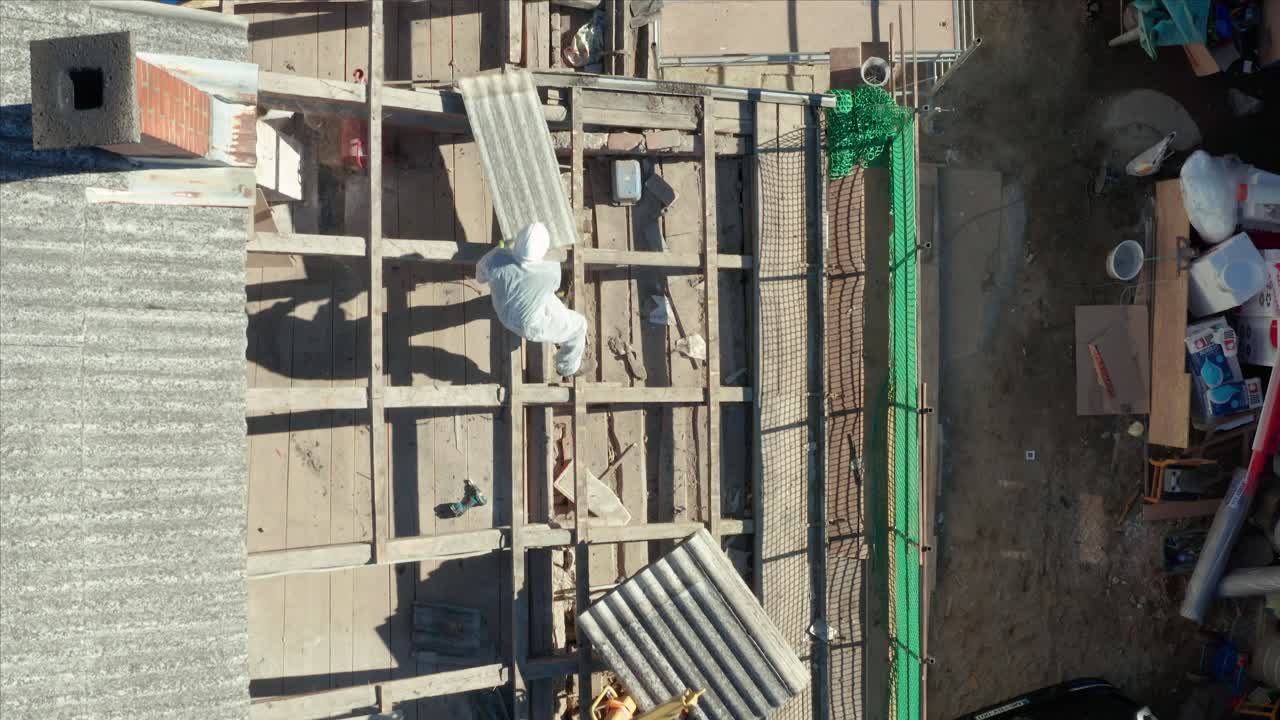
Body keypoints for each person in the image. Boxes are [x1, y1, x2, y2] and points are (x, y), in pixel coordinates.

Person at [476, 222, 588, 377]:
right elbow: (552, 288)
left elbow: (480, 276)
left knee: (543, 297)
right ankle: (567, 367)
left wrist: (500, 249)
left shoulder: (496, 259)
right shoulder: (551, 269)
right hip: (528, 327)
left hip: (502, 311)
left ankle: (557, 321)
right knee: (579, 326)